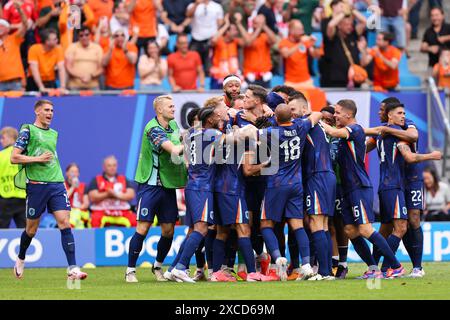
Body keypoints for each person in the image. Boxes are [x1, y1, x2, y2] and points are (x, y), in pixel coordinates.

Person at [320, 99, 405, 279]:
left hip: (359, 186)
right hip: (347, 189)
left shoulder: (354, 129)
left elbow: (333, 131)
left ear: (348, 115)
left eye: (337, 112)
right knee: (350, 230)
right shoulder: (353, 131)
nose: (334, 115)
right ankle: (373, 268)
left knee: (365, 229)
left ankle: (396, 266)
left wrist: (314, 118)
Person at [11, 99, 87, 280]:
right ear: (37, 112)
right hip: (36, 186)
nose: (50, 113)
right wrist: (37, 159)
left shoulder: (54, 133)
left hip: (57, 183)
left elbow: (51, 157)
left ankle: (73, 268)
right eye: (46, 110)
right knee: (31, 230)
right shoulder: (27, 130)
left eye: (52, 110)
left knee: (64, 222)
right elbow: (14, 157)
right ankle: (21, 257)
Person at [365, 102, 442, 276]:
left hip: (410, 180)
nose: (379, 112)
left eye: (382, 109)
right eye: (399, 113)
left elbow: (413, 137)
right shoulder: (383, 132)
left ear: (387, 113)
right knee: (393, 226)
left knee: (412, 220)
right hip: (395, 183)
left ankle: (416, 267)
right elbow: (367, 141)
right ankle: (381, 267)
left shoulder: (406, 127)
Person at [208, 96, 272, 282]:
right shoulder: (224, 133)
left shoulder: (217, 131)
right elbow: (250, 133)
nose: (231, 111)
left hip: (220, 187)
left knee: (222, 231)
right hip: (232, 188)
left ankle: (216, 273)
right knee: (243, 229)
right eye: (225, 108)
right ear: (217, 112)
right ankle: (252, 273)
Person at [255, 104, 322, 281]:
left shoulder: (271, 132)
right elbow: (317, 114)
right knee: (297, 225)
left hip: (276, 183)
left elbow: (251, 135)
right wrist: (302, 116)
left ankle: (278, 258)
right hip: (296, 184)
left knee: (266, 225)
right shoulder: (300, 126)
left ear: (276, 118)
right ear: (291, 116)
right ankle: (306, 264)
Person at [126, 95, 187, 283]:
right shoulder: (153, 129)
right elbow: (175, 150)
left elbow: (179, 152)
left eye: (174, 106)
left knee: (169, 230)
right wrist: (196, 141)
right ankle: (130, 270)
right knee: (143, 227)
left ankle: (158, 267)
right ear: (159, 110)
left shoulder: (174, 127)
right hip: (150, 185)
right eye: (170, 106)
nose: (174, 109)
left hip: (167, 185)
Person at [290, 93, 336, 280]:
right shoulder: (317, 126)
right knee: (323, 224)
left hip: (317, 176)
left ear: (303, 109)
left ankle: (324, 272)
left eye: (293, 109)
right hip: (327, 175)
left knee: (315, 223)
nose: (291, 113)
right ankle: (325, 271)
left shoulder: (303, 124)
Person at [320, 2, 366, 88]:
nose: (350, 27)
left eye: (351, 25)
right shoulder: (333, 35)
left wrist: (352, 10)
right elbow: (331, 25)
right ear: (339, 25)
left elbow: (364, 21)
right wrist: (343, 13)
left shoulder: (353, 34)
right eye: (346, 25)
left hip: (354, 78)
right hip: (336, 79)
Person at [87, 155, 137, 228]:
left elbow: (131, 195)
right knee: (94, 221)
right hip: (102, 211)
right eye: (109, 166)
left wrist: (116, 195)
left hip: (122, 211)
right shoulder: (97, 179)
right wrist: (107, 194)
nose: (112, 168)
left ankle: (133, 239)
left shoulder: (123, 179)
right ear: (104, 167)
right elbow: (92, 197)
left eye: (114, 165)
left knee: (135, 221)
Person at [236, 13, 278, 88]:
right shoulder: (247, 35)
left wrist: (264, 26)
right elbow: (248, 42)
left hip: (265, 75)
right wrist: (259, 28)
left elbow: (275, 40)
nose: (258, 25)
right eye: (255, 23)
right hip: (250, 76)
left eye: (259, 23)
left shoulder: (265, 36)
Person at [278, 20, 321, 90]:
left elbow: (315, 55)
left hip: (306, 81)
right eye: (299, 30)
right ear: (291, 31)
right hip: (290, 82)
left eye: (302, 29)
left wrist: (315, 45)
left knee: (315, 97)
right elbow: (286, 54)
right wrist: (300, 43)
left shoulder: (305, 41)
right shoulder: (284, 42)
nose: (302, 32)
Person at [186, 0, 224, 73]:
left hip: (211, 41)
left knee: (209, 69)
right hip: (196, 40)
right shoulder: (192, 5)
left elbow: (220, 23)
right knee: (191, 67)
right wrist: (196, 4)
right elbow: (188, 15)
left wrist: (215, 36)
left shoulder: (217, 6)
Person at [0, 127, 26, 228]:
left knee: (1, 232)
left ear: (12, 138)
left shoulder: (1, 155)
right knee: (26, 232)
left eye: (3, 138)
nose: (1, 141)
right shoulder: (25, 154)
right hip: (22, 198)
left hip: (5, 199)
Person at [26, 28, 67, 93]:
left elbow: (61, 68)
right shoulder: (34, 49)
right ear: (46, 41)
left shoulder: (58, 49)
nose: (57, 40)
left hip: (50, 80)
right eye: (55, 39)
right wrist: (41, 87)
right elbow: (34, 69)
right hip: (34, 81)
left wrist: (62, 87)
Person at [209, 15, 243, 89]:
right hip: (218, 79)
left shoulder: (236, 41)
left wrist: (238, 24)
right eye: (234, 30)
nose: (236, 32)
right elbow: (213, 40)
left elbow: (248, 41)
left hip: (233, 80)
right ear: (227, 31)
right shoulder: (219, 41)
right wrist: (226, 24)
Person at [0, 8, 27, 91]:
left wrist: (19, 9)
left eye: (2, 26)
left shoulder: (14, 38)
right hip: (0, 83)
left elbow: (25, 25)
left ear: (8, 29)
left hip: (16, 82)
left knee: (19, 104)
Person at [64, 163, 90, 229]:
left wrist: (77, 209)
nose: (74, 174)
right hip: (66, 213)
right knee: (79, 224)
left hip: (80, 212)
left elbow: (86, 204)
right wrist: (73, 187)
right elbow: (63, 199)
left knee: (76, 213)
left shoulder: (83, 186)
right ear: (67, 173)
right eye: (72, 172)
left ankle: (69, 229)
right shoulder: (62, 185)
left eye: (76, 172)